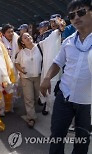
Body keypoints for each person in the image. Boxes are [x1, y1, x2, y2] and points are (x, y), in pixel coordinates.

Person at [40, 0, 92, 153]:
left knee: (82, 141)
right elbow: (57, 62)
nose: (76, 17)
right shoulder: (68, 42)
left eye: (81, 12)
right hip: (64, 96)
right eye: (72, 15)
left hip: (87, 102)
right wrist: (47, 78)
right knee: (56, 136)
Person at [15, 32, 42, 128]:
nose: (28, 38)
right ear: (22, 42)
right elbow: (16, 63)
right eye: (25, 38)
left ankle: (33, 110)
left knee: (36, 96)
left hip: (38, 76)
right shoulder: (21, 53)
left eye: (29, 36)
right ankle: (31, 118)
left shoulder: (39, 47)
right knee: (28, 98)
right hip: (26, 78)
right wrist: (21, 70)